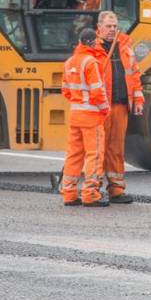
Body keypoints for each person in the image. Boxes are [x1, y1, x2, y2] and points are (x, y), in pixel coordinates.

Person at [96, 11, 145, 204]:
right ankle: (94, 190)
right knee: (98, 149)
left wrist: (138, 102)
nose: (112, 30)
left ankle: (116, 190)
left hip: (120, 106)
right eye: (108, 26)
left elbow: (134, 77)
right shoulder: (93, 49)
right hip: (101, 108)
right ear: (99, 27)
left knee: (116, 149)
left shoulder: (125, 48)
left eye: (115, 26)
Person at [60, 28, 110, 207]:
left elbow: (65, 91)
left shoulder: (69, 62)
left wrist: (79, 101)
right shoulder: (91, 62)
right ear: (91, 42)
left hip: (75, 116)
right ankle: (90, 193)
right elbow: (97, 92)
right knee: (94, 155)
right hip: (91, 117)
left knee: (73, 155)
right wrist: (105, 110)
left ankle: (69, 193)